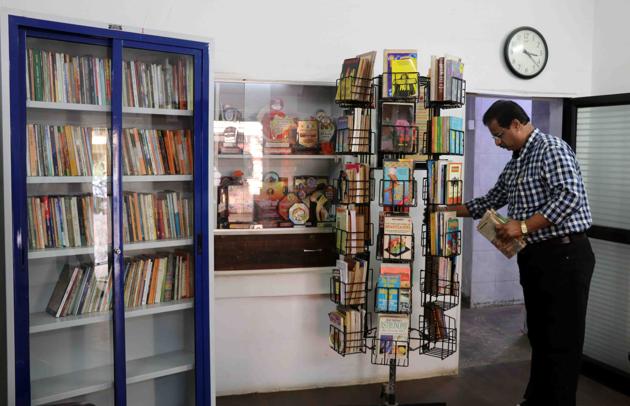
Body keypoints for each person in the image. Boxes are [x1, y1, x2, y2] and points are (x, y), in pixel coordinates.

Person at [447, 100, 595, 406]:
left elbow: (569, 196)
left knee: (561, 341)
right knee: (540, 337)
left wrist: (524, 227)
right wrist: (445, 210)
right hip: (536, 258)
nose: (498, 142)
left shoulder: (551, 148)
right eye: (494, 138)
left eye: (499, 135)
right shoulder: (516, 161)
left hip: (565, 255)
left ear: (516, 124)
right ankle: (538, 399)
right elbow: (491, 199)